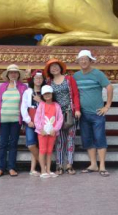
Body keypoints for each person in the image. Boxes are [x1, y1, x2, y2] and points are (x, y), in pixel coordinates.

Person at [73, 49, 113, 177]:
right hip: (83, 114)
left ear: (90, 61)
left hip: (97, 113)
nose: (83, 61)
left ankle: (102, 165)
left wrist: (107, 105)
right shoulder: (76, 76)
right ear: (78, 61)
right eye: (81, 59)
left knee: (100, 138)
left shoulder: (98, 74)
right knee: (87, 139)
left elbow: (109, 87)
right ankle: (93, 164)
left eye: (86, 59)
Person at [44, 58, 80, 175]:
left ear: (60, 67)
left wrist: (77, 110)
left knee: (70, 139)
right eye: (51, 67)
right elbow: (35, 85)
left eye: (56, 66)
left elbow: (75, 95)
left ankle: (69, 164)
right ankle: (59, 165)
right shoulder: (49, 82)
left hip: (70, 112)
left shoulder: (69, 79)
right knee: (59, 140)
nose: (54, 68)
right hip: (56, 115)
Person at [0, 64, 28, 177]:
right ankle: (1, 168)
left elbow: (25, 104)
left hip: (15, 120)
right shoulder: (2, 87)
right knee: (3, 144)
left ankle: (11, 167)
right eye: (11, 72)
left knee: (13, 144)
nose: (13, 74)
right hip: (4, 118)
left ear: (18, 75)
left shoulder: (23, 87)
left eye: (15, 72)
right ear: (8, 75)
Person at [35, 85, 63, 178]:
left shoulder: (56, 105)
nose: (47, 95)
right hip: (42, 133)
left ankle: (48, 169)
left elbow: (60, 119)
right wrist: (40, 129)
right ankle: (43, 170)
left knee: (49, 151)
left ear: (52, 94)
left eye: (48, 93)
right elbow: (37, 118)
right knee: (42, 150)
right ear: (42, 95)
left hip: (52, 133)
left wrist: (55, 130)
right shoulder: (41, 105)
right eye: (45, 94)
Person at [21, 70, 44, 176]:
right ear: (33, 80)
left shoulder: (46, 91)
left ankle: (32, 169)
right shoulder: (28, 92)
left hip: (42, 120)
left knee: (38, 145)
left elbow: (50, 105)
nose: (38, 80)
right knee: (31, 144)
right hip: (31, 117)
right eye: (36, 78)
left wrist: (40, 101)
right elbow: (23, 107)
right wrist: (27, 120)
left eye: (40, 78)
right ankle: (43, 166)